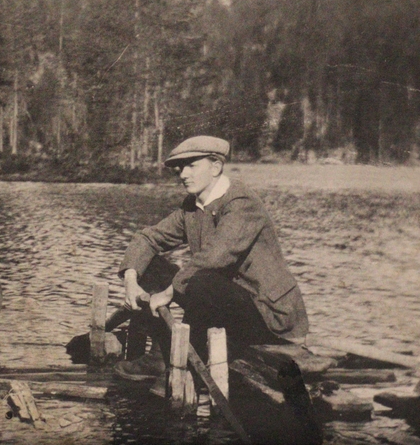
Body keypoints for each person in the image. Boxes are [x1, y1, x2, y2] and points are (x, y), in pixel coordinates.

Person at [114, 135, 309, 381]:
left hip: (270, 319)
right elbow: (147, 238)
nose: (183, 174)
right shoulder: (193, 207)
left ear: (215, 166)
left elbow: (215, 257)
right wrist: (131, 280)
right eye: (180, 168)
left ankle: (178, 358)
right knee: (151, 265)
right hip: (227, 302)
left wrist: (166, 293)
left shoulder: (242, 203)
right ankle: (162, 354)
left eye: (192, 165)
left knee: (200, 279)